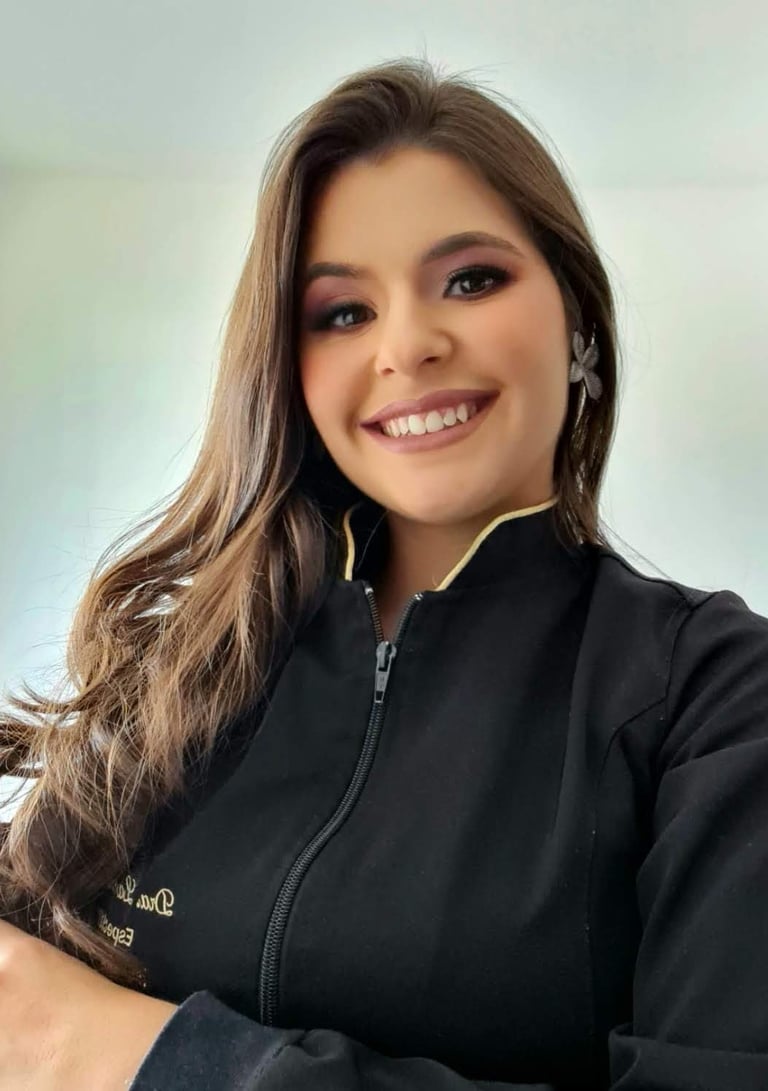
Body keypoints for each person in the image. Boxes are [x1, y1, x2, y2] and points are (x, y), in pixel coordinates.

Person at [1, 56, 767, 1091]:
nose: (407, 345)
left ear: (578, 319)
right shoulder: (188, 663)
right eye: (342, 312)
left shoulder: (715, 695)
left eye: (471, 279)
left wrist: (161, 1059)